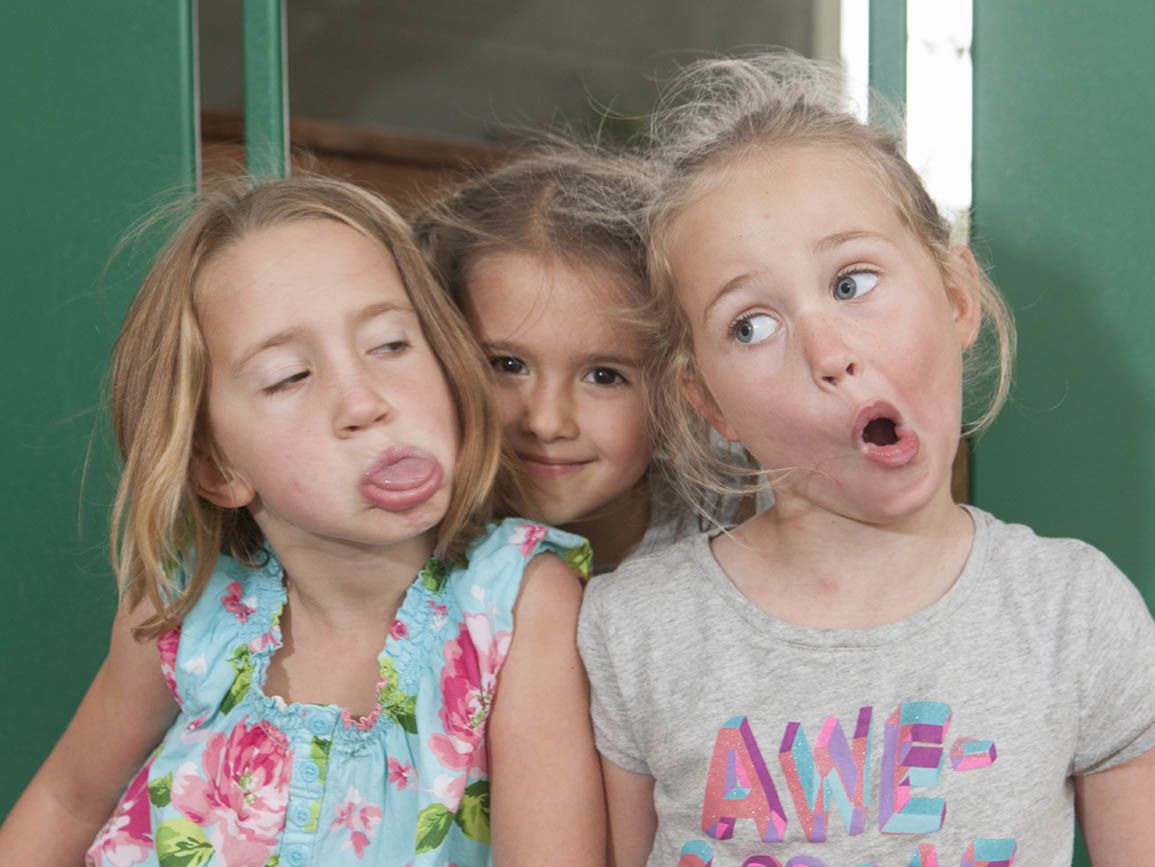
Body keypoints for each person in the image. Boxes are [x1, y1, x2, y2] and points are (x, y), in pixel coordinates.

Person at [578, 52, 1155, 866]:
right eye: (750, 324)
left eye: (851, 282)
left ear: (956, 295)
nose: (827, 352)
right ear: (706, 400)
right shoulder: (634, 630)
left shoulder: (1075, 614)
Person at [0, 175, 604, 866]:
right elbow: (67, 801)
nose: (365, 401)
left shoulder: (519, 603)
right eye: (289, 376)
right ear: (215, 466)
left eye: (391, 345)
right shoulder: (183, 607)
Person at [415, 147, 738, 574]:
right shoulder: (408, 543)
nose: (546, 423)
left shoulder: (739, 525)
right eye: (506, 365)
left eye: (604, 376)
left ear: (685, 386)